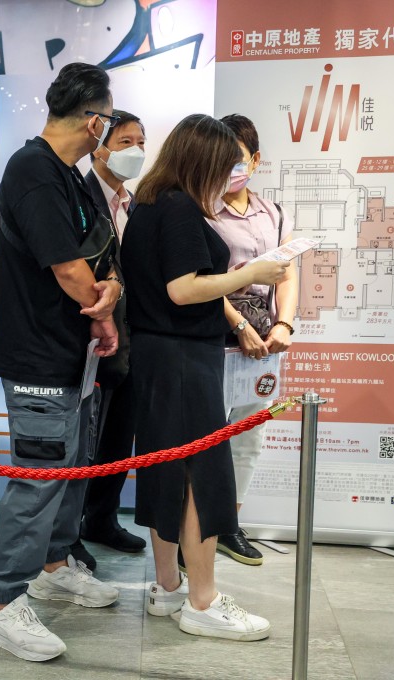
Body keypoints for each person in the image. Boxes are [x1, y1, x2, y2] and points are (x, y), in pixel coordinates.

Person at [121, 113, 287, 641]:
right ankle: (203, 600)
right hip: (183, 358)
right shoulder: (178, 209)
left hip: (157, 356)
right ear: (203, 163)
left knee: (167, 471)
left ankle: (169, 588)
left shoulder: (150, 204)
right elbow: (183, 289)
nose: (230, 176)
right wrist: (251, 274)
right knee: (200, 476)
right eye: (224, 165)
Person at [0, 62, 123, 662]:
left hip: (76, 353)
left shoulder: (78, 176)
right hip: (37, 354)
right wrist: (102, 303)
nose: (108, 132)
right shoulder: (33, 169)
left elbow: (101, 253)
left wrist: (108, 295)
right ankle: (3, 605)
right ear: (94, 120)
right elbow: (67, 268)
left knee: (70, 468)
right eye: (109, 122)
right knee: (37, 479)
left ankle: (53, 565)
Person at [209, 113, 298, 566]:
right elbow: (201, 280)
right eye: (220, 158)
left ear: (255, 160)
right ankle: (202, 532)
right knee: (208, 441)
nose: (229, 168)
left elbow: (287, 272)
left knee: (249, 439)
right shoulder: (201, 209)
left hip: (265, 347)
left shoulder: (273, 212)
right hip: (217, 342)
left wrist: (284, 325)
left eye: (238, 159)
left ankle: (230, 526)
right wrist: (238, 326)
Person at [72, 108, 148, 568]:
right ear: (99, 145)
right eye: (124, 142)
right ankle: (69, 529)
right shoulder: (79, 196)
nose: (135, 151)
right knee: (85, 441)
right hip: (91, 338)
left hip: (132, 340)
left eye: (140, 141)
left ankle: (101, 517)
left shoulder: (135, 202)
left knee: (120, 438)